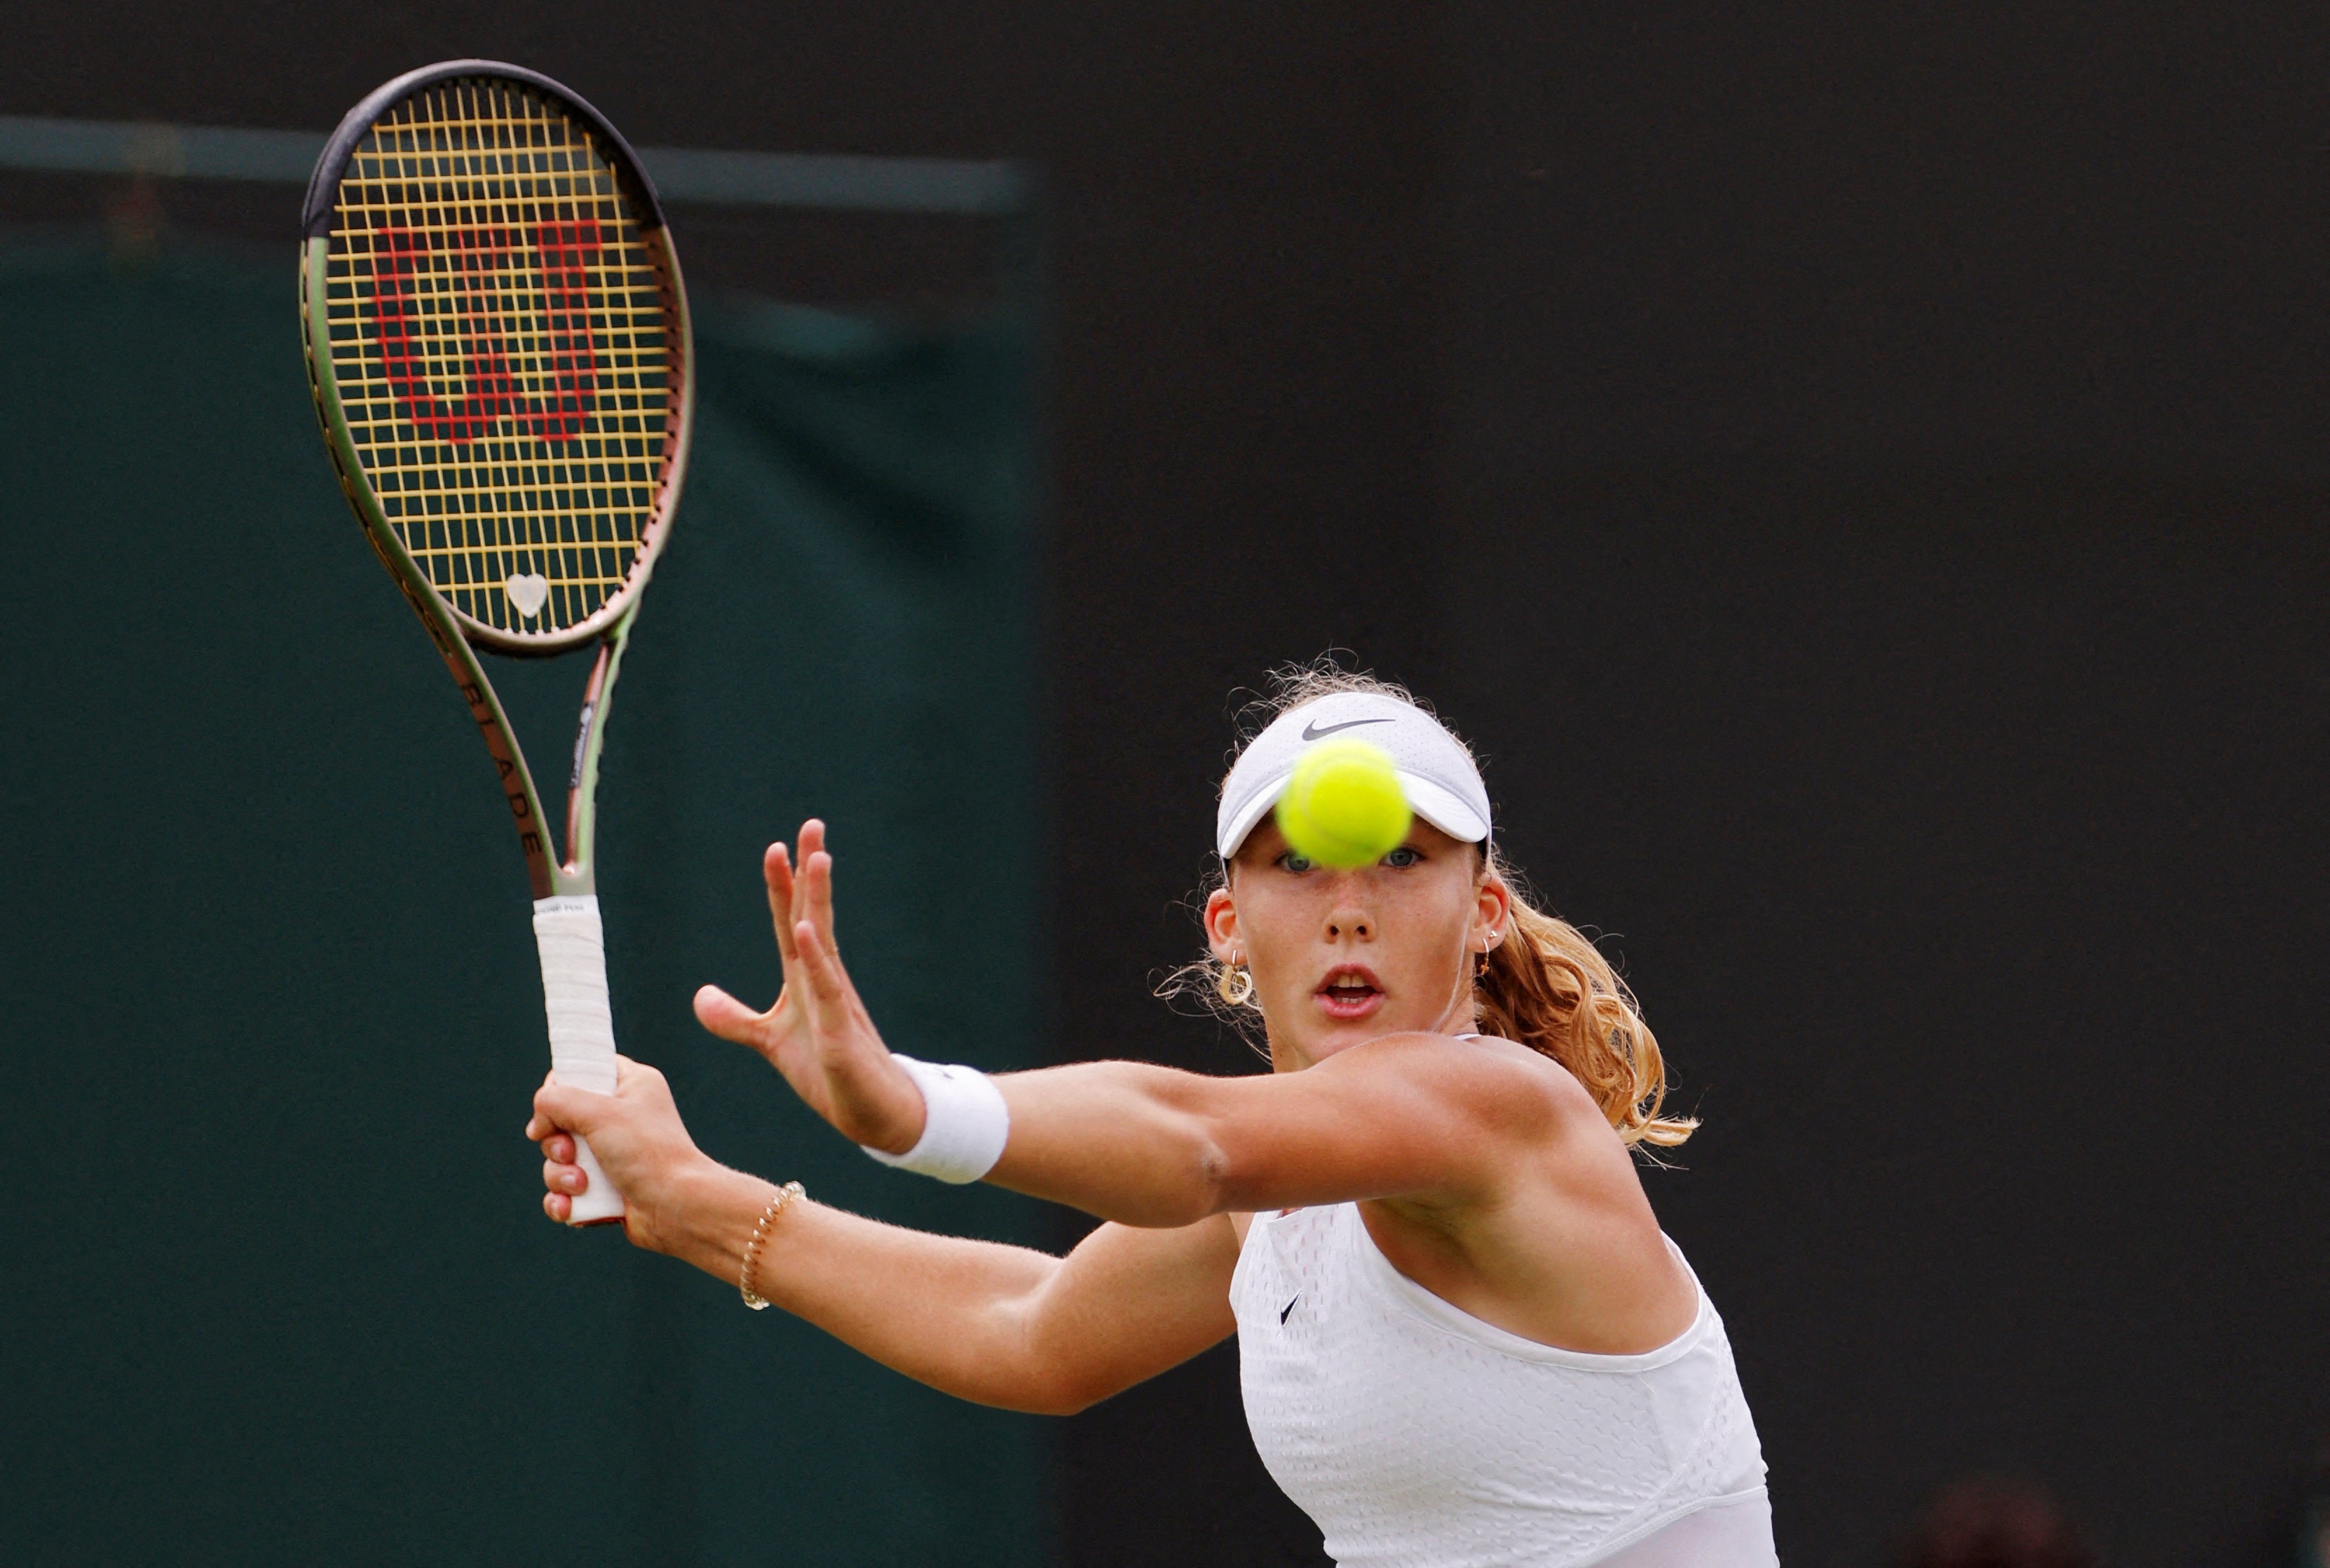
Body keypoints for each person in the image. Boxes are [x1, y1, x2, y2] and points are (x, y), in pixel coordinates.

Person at [529, 665, 1776, 1567]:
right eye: (1297, 863)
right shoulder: (1278, 1217)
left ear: (1486, 908)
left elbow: (1194, 1141)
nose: (1350, 906)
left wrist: (907, 1107)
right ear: (1229, 929)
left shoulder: (1495, 1108)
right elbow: (1033, 1331)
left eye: (1405, 859)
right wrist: (693, 1196)